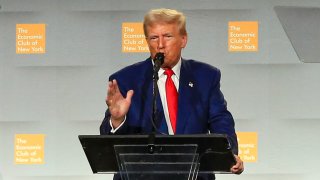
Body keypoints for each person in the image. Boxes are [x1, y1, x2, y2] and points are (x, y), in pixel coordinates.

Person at [100, 8, 244, 179]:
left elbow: (220, 120)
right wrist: (116, 120)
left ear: (183, 39)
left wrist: (229, 153)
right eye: (154, 38)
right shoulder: (126, 79)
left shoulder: (205, 76)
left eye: (167, 36)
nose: (160, 45)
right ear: (147, 42)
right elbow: (107, 142)